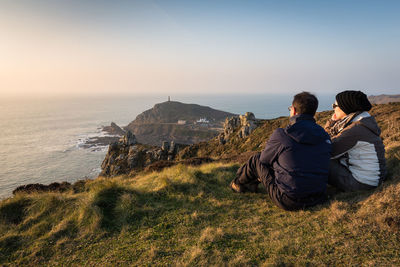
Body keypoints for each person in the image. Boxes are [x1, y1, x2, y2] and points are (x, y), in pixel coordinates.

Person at [230, 92, 332, 211]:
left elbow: (264, 160)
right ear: (313, 112)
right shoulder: (325, 136)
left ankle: (237, 183)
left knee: (256, 159)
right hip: (319, 197)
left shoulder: (282, 135)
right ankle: (250, 184)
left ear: (293, 111)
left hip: (289, 200)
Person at [324, 90, 386, 191]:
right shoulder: (362, 122)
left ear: (346, 107)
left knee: (317, 159)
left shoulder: (355, 129)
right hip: (372, 179)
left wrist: (330, 124)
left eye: (335, 105)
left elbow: (327, 150)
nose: (333, 108)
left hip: (362, 183)